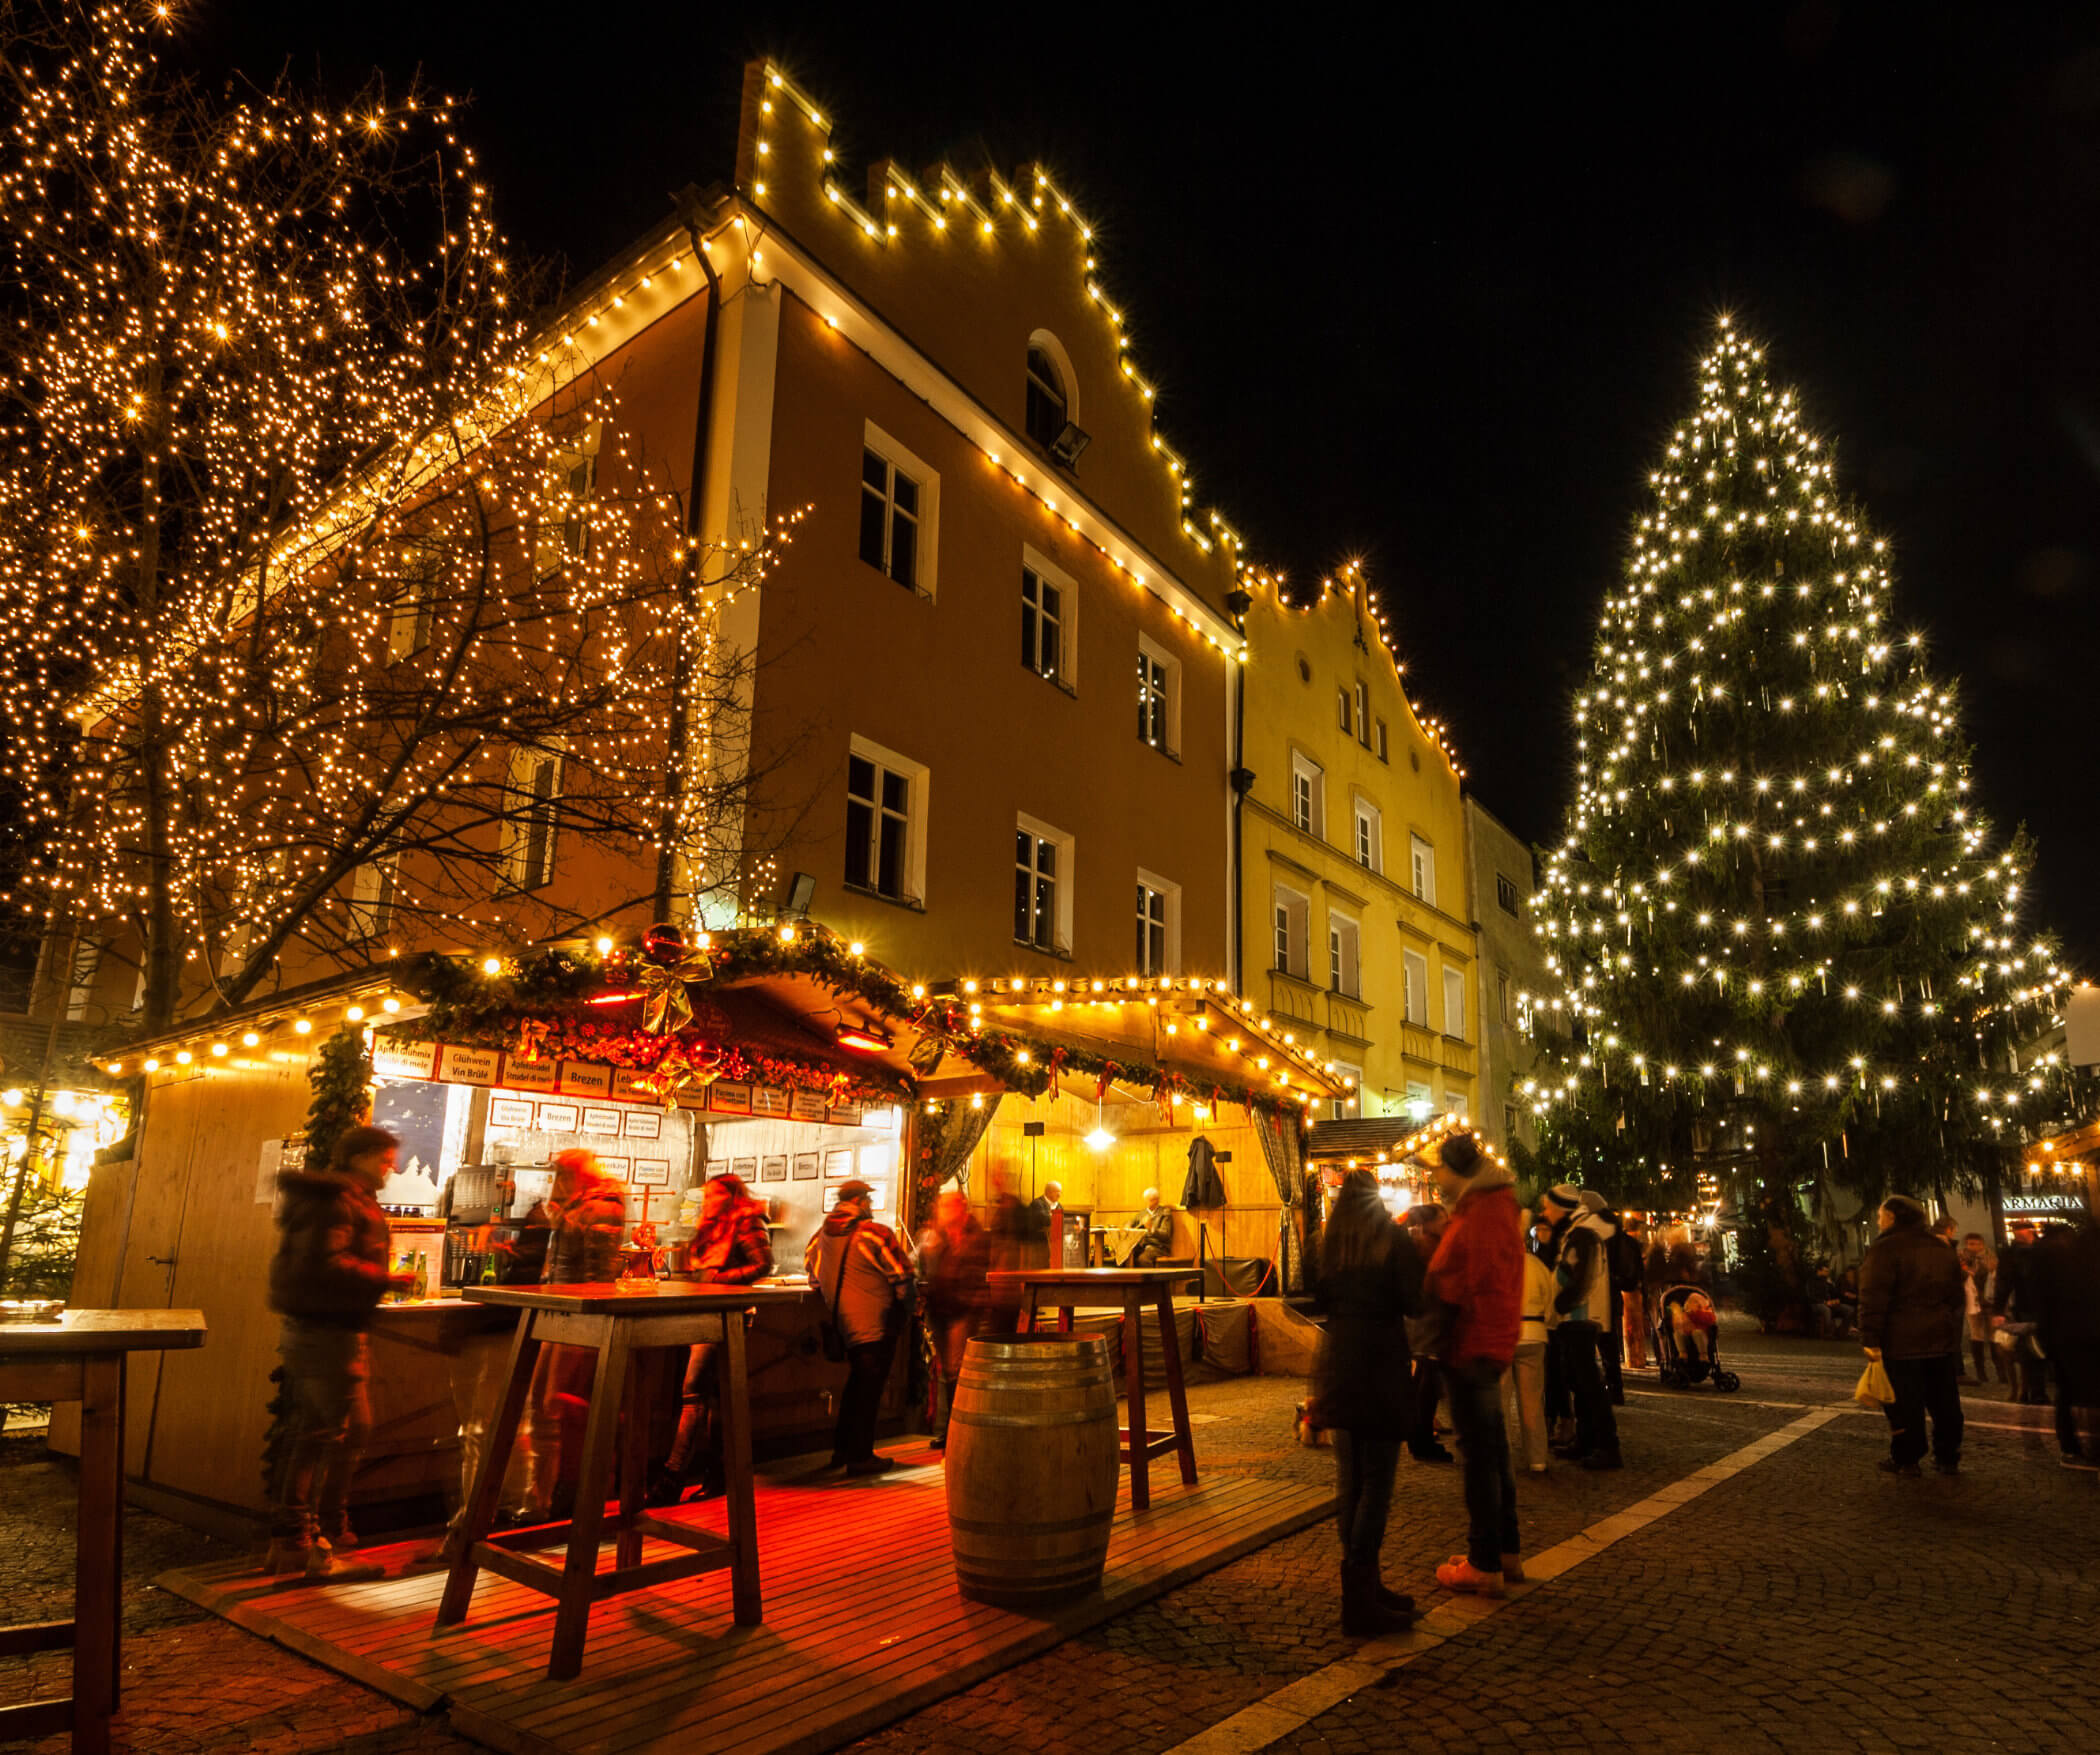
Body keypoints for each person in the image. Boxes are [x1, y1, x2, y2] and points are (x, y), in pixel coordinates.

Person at [263, 1124, 410, 1580]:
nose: (393, 1168)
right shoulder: (335, 1199)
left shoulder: (348, 1197)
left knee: (350, 1430)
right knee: (320, 1434)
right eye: (386, 1160)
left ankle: (325, 1532)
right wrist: (386, 1279)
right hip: (324, 1329)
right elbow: (324, 1263)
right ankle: (297, 1542)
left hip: (334, 1327)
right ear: (363, 1156)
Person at [1310, 1168, 1424, 1636]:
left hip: (1339, 1362)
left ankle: (1364, 1587)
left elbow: (1317, 1298)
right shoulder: (1392, 1242)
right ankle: (1360, 1601)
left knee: (1351, 1483)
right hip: (1380, 1365)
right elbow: (1416, 1301)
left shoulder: (1329, 1244)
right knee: (1376, 1485)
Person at [1424, 1133, 1525, 1599]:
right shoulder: (1493, 1205)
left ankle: (1484, 1561)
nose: (1435, 1177)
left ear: (1455, 1168)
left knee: (1479, 1455)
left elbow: (1462, 1276)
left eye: (1438, 1169)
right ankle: (1505, 1553)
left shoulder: (1479, 1211)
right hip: (1491, 1336)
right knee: (1493, 1450)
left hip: (1471, 1341)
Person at [652, 1172, 771, 1505]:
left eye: (714, 1195)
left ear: (731, 1196)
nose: (707, 1200)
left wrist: (720, 1279)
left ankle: (672, 1477)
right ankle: (718, 1473)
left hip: (728, 1315)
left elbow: (763, 1264)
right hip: (701, 1312)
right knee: (711, 1397)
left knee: (693, 1392)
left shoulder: (748, 1222)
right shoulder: (709, 1225)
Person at [523, 1150, 627, 1520]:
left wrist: (588, 1323)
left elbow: (600, 1275)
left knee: (553, 1406)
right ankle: (541, 1496)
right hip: (561, 1313)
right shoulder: (582, 1204)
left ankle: (556, 1497)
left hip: (576, 1318)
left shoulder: (601, 1207)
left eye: (558, 1176)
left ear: (572, 1176)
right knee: (542, 1405)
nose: (553, 1184)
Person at [806, 1179, 914, 1476]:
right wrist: (903, 1312)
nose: (870, 1204)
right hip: (875, 1324)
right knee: (868, 1392)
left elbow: (812, 1275)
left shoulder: (822, 1234)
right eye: (867, 1199)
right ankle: (860, 1457)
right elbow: (903, 1276)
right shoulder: (875, 1234)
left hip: (844, 1324)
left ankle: (841, 1450)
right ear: (860, 1201)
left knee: (855, 1389)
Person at [1859, 1193, 1966, 1478]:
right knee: (1945, 1402)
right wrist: (1951, 1333)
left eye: (1881, 1216)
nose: (1878, 1221)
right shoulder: (1941, 1247)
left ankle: (1908, 1458)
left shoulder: (1885, 1249)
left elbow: (1873, 1297)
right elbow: (1956, 1297)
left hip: (1900, 1341)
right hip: (1939, 1340)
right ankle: (1948, 1456)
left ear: (1893, 1217)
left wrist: (1870, 1337)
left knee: (1905, 1403)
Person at [1542, 1184, 1620, 1469]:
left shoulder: (1582, 1233)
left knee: (1588, 1383)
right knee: (1579, 1380)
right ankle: (1587, 1441)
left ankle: (1607, 1446)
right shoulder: (1577, 1231)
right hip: (1575, 1317)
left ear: (1562, 1208)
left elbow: (1583, 1277)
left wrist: (1561, 1304)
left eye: (1548, 1206)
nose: (1544, 1212)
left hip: (1579, 1318)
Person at [918, 1189, 990, 1447]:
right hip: (941, 1309)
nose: (943, 1211)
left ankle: (958, 1431)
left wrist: (973, 1303)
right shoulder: (938, 1236)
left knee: (958, 1370)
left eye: (948, 1207)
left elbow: (977, 1271)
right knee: (948, 1371)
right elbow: (927, 1266)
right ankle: (951, 1429)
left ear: (961, 1208)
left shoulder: (975, 1235)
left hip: (963, 1309)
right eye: (942, 1207)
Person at [2032, 1213, 2100, 1471]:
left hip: (2067, 1335)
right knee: (2081, 1391)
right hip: (2077, 1335)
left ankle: (2073, 1447)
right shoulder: (2073, 1258)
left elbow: (2044, 1302)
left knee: (2070, 1390)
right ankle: (2081, 1448)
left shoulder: (2066, 1258)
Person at [1502, 1209, 1556, 1474]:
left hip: (1504, 1335)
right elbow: (1551, 1301)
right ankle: (1537, 1459)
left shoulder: (1497, 1265)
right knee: (1532, 1401)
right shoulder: (1536, 1265)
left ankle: (1499, 1458)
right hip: (1534, 1334)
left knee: (1500, 1401)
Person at [1402, 1202, 1454, 1464]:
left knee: (1425, 1379)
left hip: (1426, 1320)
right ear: (1429, 1222)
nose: (1447, 1219)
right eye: (1442, 1216)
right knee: (1427, 1384)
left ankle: (1420, 1436)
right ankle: (1420, 1440)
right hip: (1429, 1320)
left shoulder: (1424, 1242)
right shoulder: (1428, 1244)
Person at [1992, 1219, 2049, 1403]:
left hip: (2045, 1305)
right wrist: (1998, 1310)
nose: (2018, 1233)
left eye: (2021, 1230)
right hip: (2027, 1307)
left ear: (2031, 1231)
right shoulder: (2011, 1254)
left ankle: (2037, 1390)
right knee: (2031, 1350)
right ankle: (2036, 1391)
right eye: (2015, 1230)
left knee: (2040, 1349)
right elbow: (2003, 1283)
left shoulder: (2043, 1249)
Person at [1582, 1190, 1629, 1404]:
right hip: (1614, 1292)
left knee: (1593, 1342)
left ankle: (1603, 1388)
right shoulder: (1615, 1228)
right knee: (1609, 1343)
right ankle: (1615, 1387)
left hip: (1598, 1293)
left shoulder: (1593, 1229)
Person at [1956, 1234, 2007, 1387]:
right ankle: (1981, 1371)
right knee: (1976, 1333)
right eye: (1970, 1244)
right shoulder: (1961, 1257)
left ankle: (2001, 1371)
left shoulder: (1990, 1257)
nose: (1973, 1247)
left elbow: (1997, 1275)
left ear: (1982, 1244)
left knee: (1993, 1335)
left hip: (1989, 1301)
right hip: (1973, 1300)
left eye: (1976, 1244)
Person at [1619, 1214, 1650, 1370]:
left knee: (1629, 1324)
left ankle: (1631, 1357)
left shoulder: (1620, 1242)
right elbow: (1637, 1267)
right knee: (1635, 1325)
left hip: (1623, 1287)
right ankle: (1637, 1357)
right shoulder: (1633, 1244)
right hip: (1633, 1288)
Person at [1120, 1187, 1175, 1267]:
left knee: (1143, 1259)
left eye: (1150, 1200)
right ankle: (1127, 1279)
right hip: (1142, 1245)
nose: (1147, 1203)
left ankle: (1148, 1279)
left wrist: (1151, 1228)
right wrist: (1127, 1225)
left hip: (1158, 1247)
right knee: (1123, 1256)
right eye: (1146, 1200)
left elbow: (1166, 1234)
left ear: (1157, 1200)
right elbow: (1131, 1222)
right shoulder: (1143, 1213)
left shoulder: (1165, 1212)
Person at [1027, 1180, 1066, 1268]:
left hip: (1054, 1241)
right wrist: (1052, 1217)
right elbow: (1045, 1220)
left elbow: (1062, 1220)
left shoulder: (1059, 1205)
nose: (1059, 1194)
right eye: (1056, 1192)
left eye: (1060, 1192)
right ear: (1048, 1192)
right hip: (1038, 1243)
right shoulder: (1037, 1204)